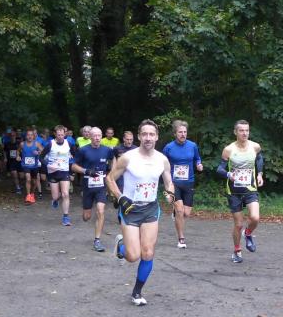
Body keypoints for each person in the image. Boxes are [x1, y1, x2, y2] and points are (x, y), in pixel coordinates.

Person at [106, 120, 175, 306]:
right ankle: (121, 246)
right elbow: (110, 179)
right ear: (139, 136)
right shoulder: (128, 158)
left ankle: (137, 292)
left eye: (151, 134)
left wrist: (170, 194)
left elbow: (169, 182)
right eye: (144, 134)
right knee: (132, 256)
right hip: (130, 209)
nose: (148, 138)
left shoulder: (162, 159)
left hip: (150, 209)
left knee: (148, 252)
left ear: (157, 137)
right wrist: (121, 197)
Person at [216, 120, 264, 264]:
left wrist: (259, 174)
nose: (244, 133)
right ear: (235, 132)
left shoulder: (255, 146)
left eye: (247, 130)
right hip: (234, 191)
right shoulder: (229, 149)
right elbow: (219, 169)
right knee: (238, 224)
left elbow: (259, 159)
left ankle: (248, 234)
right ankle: (237, 251)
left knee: (255, 218)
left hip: (250, 189)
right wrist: (228, 174)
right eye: (241, 130)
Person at [162, 120, 203, 248]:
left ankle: (175, 214)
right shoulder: (168, 147)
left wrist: (198, 164)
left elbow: (197, 158)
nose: (183, 134)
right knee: (180, 211)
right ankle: (181, 238)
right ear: (175, 133)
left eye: (185, 132)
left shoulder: (192, 145)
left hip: (189, 182)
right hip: (174, 183)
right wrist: (167, 184)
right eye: (180, 132)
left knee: (186, 213)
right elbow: (162, 163)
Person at [71, 127, 114, 252]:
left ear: (101, 136)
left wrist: (111, 172)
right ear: (90, 137)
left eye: (99, 135)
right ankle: (86, 213)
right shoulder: (83, 150)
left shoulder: (106, 150)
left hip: (101, 186)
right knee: (87, 217)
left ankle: (97, 240)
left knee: (101, 211)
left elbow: (114, 159)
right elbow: (73, 166)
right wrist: (86, 171)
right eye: (94, 135)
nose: (97, 138)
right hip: (88, 187)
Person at [39, 125, 74, 226]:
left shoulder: (69, 144)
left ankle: (66, 217)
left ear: (65, 134)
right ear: (55, 134)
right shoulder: (50, 144)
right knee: (55, 196)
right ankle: (55, 200)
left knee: (65, 194)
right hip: (53, 173)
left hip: (64, 171)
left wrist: (72, 170)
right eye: (58, 135)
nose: (60, 137)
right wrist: (48, 165)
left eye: (62, 135)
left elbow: (75, 156)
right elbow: (41, 157)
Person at [19, 128, 43, 204]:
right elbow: (18, 150)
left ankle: (32, 193)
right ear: (26, 136)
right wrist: (18, 156)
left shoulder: (37, 144)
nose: (30, 136)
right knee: (28, 178)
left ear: (33, 136)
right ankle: (28, 195)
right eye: (28, 135)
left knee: (34, 182)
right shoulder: (22, 144)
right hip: (25, 165)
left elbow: (43, 151)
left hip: (34, 166)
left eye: (31, 135)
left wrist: (38, 152)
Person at [3, 129, 22, 194]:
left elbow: (23, 150)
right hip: (11, 161)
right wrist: (5, 158)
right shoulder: (7, 144)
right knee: (15, 175)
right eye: (11, 135)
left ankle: (19, 184)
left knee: (21, 176)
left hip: (19, 161)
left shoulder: (19, 143)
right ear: (9, 136)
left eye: (13, 135)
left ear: (16, 136)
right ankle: (18, 188)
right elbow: (4, 151)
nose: (12, 136)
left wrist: (20, 156)